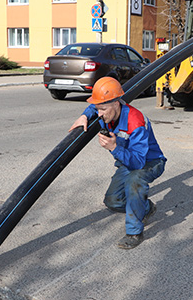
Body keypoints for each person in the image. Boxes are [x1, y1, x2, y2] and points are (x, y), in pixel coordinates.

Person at [69, 77, 167, 249]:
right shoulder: (106, 110)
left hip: (150, 161)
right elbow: (94, 106)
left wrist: (114, 148)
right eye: (98, 109)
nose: (99, 114)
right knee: (112, 201)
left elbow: (138, 163)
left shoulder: (135, 122)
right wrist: (84, 116)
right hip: (127, 160)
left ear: (116, 103)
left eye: (103, 109)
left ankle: (134, 233)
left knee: (134, 181)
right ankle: (146, 208)